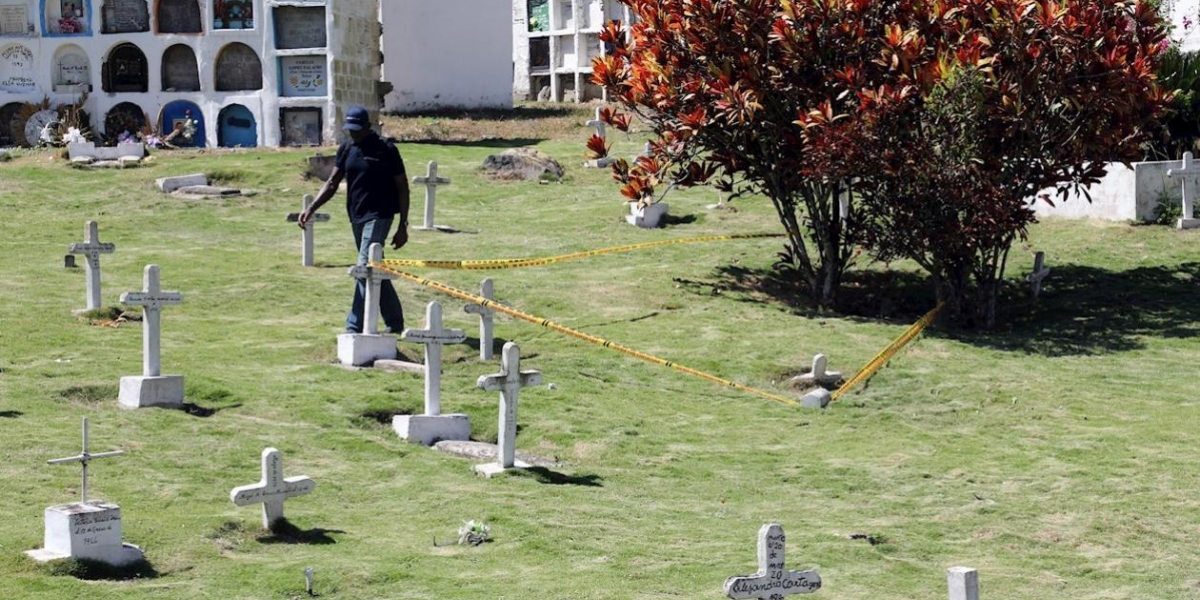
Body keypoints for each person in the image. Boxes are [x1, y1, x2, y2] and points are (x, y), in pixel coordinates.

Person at [299, 106, 409, 334]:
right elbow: (332, 183)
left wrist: (402, 226)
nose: (354, 133)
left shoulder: (386, 149)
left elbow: (402, 187)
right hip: (357, 216)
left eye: (358, 129)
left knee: (363, 267)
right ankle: (395, 322)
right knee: (375, 267)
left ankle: (353, 326)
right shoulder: (347, 148)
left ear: (368, 126)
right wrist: (311, 208)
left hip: (380, 216)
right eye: (351, 129)